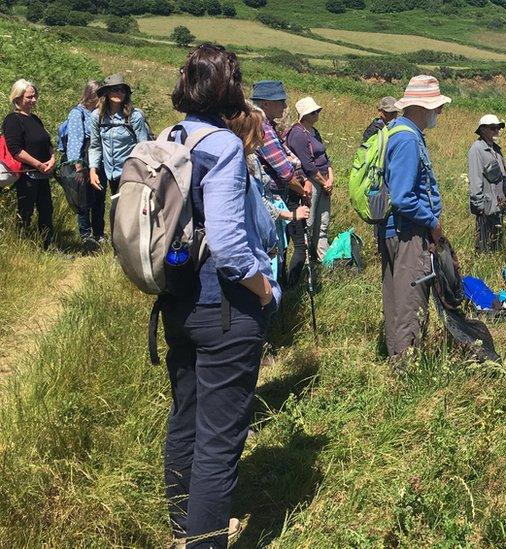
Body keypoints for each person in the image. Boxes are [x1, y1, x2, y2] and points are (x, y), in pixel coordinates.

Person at [161, 44, 279, 549]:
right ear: (227, 88)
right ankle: (205, 541)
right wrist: (264, 288)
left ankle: (182, 525)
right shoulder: (224, 146)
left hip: (176, 301)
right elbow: (230, 245)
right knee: (219, 442)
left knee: (185, 416)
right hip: (224, 309)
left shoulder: (167, 137)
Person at [381, 75, 450, 358]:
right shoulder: (408, 140)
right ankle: (405, 369)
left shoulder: (397, 131)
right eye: (437, 107)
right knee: (410, 303)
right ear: (422, 107)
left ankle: (397, 356)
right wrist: (433, 223)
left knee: (396, 300)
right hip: (408, 234)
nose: (440, 113)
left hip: (396, 230)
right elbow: (402, 197)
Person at [224, 101, 310, 283]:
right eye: (258, 131)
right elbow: (258, 201)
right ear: (245, 133)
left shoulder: (250, 158)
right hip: (254, 243)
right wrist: (290, 215)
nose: (263, 137)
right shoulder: (236, 164)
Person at [250, 80, 309, 286]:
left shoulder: (269, 127)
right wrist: (303, 190)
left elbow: (289, 159)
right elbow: (285, 171)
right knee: (274, 250)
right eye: (280, 102)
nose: (284, 107)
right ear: (265, 103)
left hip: (274, 197)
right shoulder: (262, 128)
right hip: (271, 198)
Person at [88, 74, 151, 240]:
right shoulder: (97, 116)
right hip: (107, 168)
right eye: (114, 89)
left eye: (122, 90)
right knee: (106, 204)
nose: (118, 93)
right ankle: (106, 239)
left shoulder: (134, 116)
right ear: (106, 93)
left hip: (128, 170)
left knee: (125, 207)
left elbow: (143, 146)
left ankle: (126, 242)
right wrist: (93, 170)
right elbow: (95, 146)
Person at [3, 79, 56, 248]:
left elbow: (47, 143)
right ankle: (24, 246)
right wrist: (38, 164)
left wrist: (52, 159)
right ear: (18, 98)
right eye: (29, 97)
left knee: (46, 211)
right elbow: (16, 150)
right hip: (27, 175)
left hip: (43, 174)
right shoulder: (13, 120)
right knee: (26, 211)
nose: (34, 100)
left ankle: (47, 246)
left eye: (35, 96)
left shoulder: (35, 119)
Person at [286, 96, 333, 260]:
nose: (316, 114)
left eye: (317, 111)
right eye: (313, 112)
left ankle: (323, 256)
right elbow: (308, 165)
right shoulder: (298, 134)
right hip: (311, 182)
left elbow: (326, 157)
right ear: (304, 115)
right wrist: (324, 182)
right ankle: (305, 258)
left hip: (324, 180)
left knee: (324, 220)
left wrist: (330, 179)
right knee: (310, 221)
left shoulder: (314, 131)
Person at [62, 80, 100, 250]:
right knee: (83, 199)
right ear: (92, 96)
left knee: (96, 198)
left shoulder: (96, 113)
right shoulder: (78, 114)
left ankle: (98, 233)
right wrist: (77, 165)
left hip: (93, 161)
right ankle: (86, 236)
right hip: (82, 162)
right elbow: (75, 140)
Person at [467, 114, 506, 253]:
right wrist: (479, 206)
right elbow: (475, 180)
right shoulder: (477, 149)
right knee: (484, 246)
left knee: (497, 245)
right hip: (486, 207)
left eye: (498, 127)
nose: (497, 130)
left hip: (499, 205)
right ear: (483, 129)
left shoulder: (496, 149)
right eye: (493, 128)